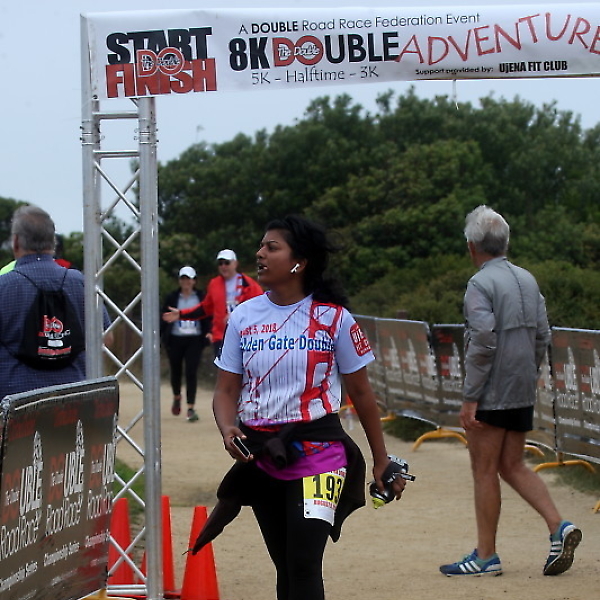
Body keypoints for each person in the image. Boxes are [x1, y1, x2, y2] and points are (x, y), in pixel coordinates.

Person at [191, 215, 406, 600]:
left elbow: (362, 393)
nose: (259, 253)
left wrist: (381, 460)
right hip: (261, 455)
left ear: (299, 262)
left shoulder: (334, 318)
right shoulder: (243, 317)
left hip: (321, 453)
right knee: (285, 566)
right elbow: (225, 390)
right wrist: (227, 429)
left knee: (305, 563)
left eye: (271, 247)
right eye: (261, 246)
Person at [440, 205, 582, 577]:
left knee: (484, 470)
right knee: (512, 464)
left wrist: (471, 397)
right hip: (521, 385)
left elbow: (483, 341)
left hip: (491, 388)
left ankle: (486, 556)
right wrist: (526, 373)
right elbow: (543, 335)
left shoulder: (479, 284)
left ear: (472, 246)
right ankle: (558, 526)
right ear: (506, 243)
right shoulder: (528, 279)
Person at [0, 204, 111, 399]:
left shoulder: (4, 286)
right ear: (53, 242)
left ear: (15, 242)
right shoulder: (81, 283)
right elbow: (106, 339)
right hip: (72, 402)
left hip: (16, 405)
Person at [163, 248, 263, 357]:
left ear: (235, 264)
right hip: (221, 337)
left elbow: (260, 309)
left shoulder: (249, 285)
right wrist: (181, 314)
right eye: (220, 263)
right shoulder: (214, 284)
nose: (223, 266)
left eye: (227, 263)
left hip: (245, 337)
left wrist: (237, 316)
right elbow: (205, 308)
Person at [160, 266, 211, 421]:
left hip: (194, 338)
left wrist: (209, 332)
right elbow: (164, 316)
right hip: (175, 338)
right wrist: (162, 336)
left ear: (194, 281)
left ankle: (190, 407)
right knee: (176, 370)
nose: (186, 282)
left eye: (188, 279)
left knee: (191, 371)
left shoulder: (201, 297)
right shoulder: (172, 297)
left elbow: (208, 314)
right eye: (183, 279)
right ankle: (177, 396)